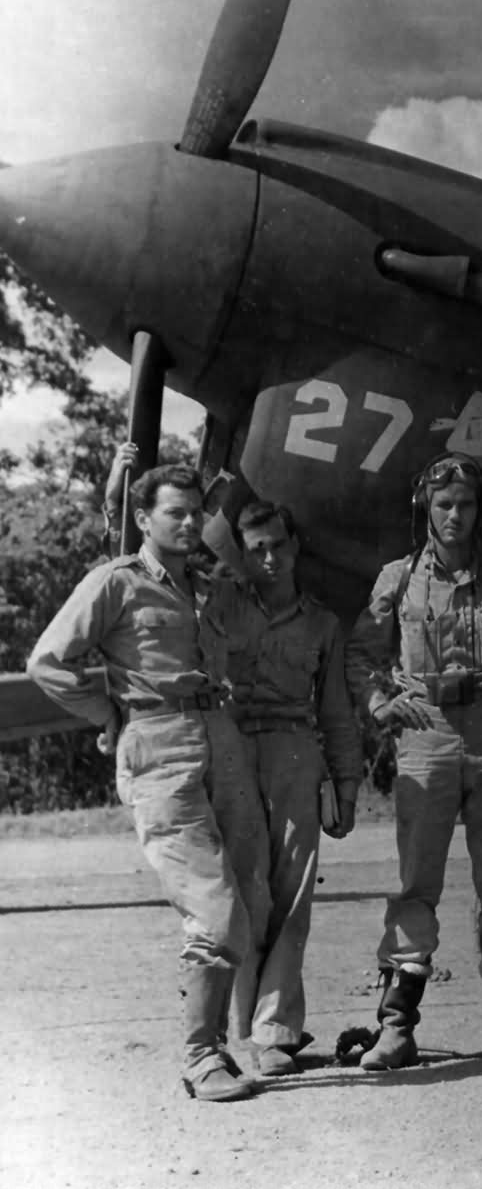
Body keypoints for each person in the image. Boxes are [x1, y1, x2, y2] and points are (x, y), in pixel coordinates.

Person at [28, 463, 261, 1102]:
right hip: (159, 751)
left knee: (245, 897)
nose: (188, 523)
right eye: (174, 513)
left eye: (194, 511)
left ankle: (219, 1042)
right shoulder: (115, 582)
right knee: (214, 908)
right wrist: (107, 711)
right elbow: (49, 662)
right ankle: (199, 1057)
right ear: (143, 519)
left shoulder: (204, 586)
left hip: (219, 742)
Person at [346, 452, 482, 1069]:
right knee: (417, 880)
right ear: (426, 508)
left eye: (466, 504)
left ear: (479, 510)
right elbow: (360, 655)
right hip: (426, 735)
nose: (454, 515)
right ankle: (396, 1024)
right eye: (444, 504)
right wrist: (380, 705)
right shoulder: (398, 577)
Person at [202, 499, 365, 1077]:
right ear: (242, 557)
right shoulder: (220, 604)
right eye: (256, 550)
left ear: (295, 546)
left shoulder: (323, 625)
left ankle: (275, 1031)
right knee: (248, 893)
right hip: (236, 753)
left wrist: (346, 785)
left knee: (293, 894)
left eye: (278, 544)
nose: (270, 558)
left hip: (297, 754)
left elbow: (338, 713)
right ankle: (245, 1026)